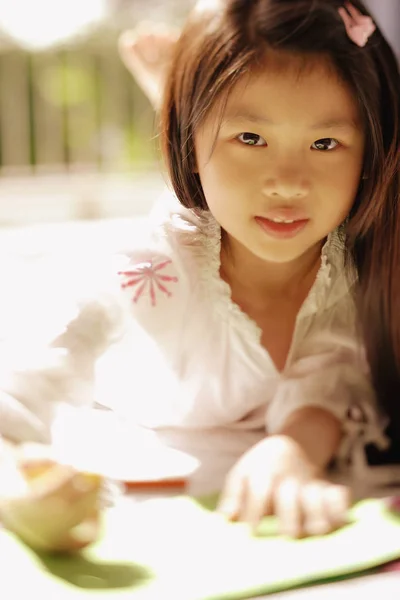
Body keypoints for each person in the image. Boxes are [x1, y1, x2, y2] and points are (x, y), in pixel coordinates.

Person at [0, 0, 399, 549]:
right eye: (251, 139)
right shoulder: (149, 269)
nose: (287, 183)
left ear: (370, 154)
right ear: (189, 144)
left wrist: (295, 449)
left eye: (324, 143)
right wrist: (16, 490)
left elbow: (331, 375)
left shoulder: (357, 266)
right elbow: (23, 386)